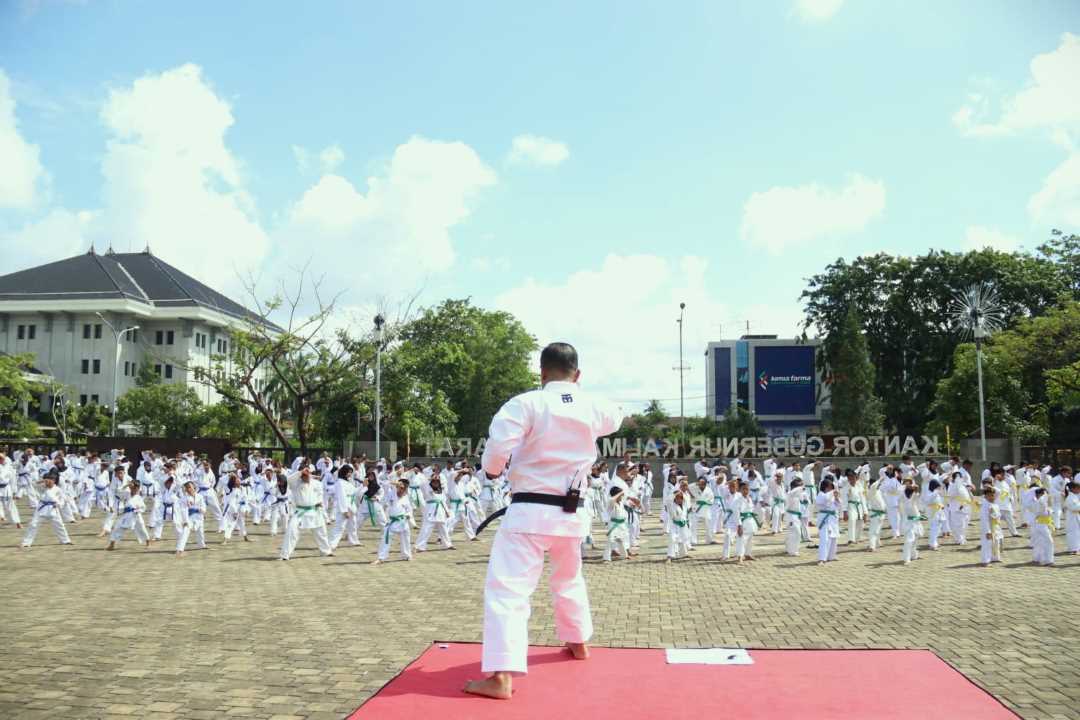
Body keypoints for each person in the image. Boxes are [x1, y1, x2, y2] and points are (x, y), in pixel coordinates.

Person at [464, 342, 623, 701]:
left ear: (542, 373)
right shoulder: (594, 406)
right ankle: (578, 642)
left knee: (508, 590)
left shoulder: (525, 404)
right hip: (572, 514)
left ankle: (501, 676)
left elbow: (496, 451)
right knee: (568, 578)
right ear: (577, 375)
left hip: (529, 513)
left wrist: (491, 472)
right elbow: (617, 415)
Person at [20, 468, 73, 549]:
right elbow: (32, 484)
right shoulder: (42, 487)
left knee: (59, 525)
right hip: (42, 508)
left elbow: (63, 500)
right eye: (47, 480)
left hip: (53, 508)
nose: (48, 481)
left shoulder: (58, 489)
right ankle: (26, 542)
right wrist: (42, 481)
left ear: (54, 481)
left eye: (51, 480)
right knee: (33, 525)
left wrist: (58, 504)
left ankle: (65, 540)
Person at [815, 478, 841, 565]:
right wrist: (832, 492)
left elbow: (838, 505)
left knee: (834, 537)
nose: (832, 489)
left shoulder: (831, 495)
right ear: (826, 487)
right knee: (824, 538)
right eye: (831, 487)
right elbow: (825, 500)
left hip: (832, 518)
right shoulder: (821, 494)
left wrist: (837, 498)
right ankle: (822, 558)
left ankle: (831, 556)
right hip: (824, 518)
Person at [979, 486, 1003, 566]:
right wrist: (987, 531)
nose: (992, 497)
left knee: (996, 542)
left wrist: (991, 486)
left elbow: (999, 492)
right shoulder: (985, 505)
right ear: (985, 496)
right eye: (989, 495)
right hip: (988, 526)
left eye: (993, 495)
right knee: (987, 543)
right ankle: (985, 560)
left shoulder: (994, 503)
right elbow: (984, 519)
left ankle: (995, 557)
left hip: (995, 526)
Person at [666, 491, 691, 562]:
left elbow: (686, 499)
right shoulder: (671, 505)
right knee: (672, 539)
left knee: (684, 539)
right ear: (675, 499)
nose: (679, 500)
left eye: (681, 498)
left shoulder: (685, 504)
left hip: (683, 524)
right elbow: (668, 500)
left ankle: (683, 554)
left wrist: (681, 492)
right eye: (677, 499)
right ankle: (670, 556)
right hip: (675, 525)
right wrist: (674, 494)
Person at [1065, 481, 1080, 555]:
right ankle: (1073, 549)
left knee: (1077, 533)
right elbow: (1073, 508)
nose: (1079, 490)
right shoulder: (1070, 497)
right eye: (1078, 488)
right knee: (1073, 533)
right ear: (1073, 489)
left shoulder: (1074, 496)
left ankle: (1076, 547)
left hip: (1075, 516)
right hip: (1072, 517)